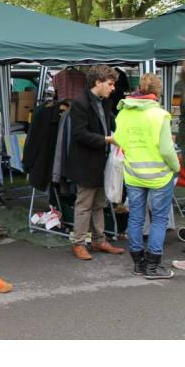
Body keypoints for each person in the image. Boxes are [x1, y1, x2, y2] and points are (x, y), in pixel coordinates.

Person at [114, 73, 179, 279]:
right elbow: (168, 151)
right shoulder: (159, 115)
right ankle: (153, 266)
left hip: (133, 173)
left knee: (136, 217)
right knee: (159, 219)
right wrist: (176, 167)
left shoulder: (123, 113)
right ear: (157, 92)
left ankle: (138, 263)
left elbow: (118, 140)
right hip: (159, 175)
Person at [66, 65, 125, 260]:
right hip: (85, 162)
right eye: (110, 84)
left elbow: (108, 125)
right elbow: (79, 134)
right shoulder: (80, 103)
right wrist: (107, 139)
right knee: (84, 204)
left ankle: (99, 240)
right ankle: (79, 243)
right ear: (97, 82)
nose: (113, 88)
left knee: (100, 203)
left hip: (101, 160)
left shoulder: (105, 101)